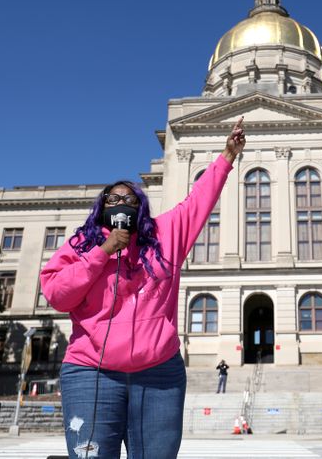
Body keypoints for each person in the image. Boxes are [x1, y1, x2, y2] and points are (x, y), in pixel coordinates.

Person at [40, 118, 245, 459]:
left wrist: (227, 156)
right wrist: (102, 253)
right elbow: (59, 295)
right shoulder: (79, 245)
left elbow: (198, 201)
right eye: (113, 198)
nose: (122, 202)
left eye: (131, 199)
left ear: (142, 208)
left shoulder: (165, 236)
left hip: (159, 374)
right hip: (91, 372)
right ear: (101, 209)